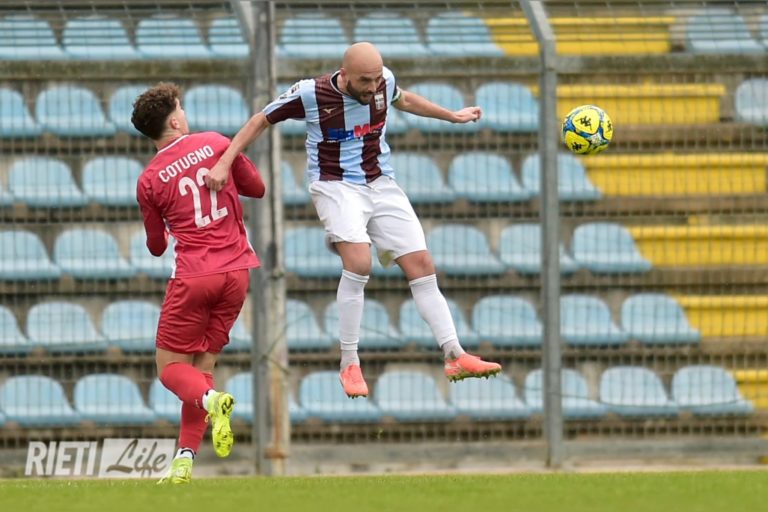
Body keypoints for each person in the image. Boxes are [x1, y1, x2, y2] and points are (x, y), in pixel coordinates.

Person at [205, 42, 501, 399]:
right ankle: (349, 362)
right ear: (344, 75)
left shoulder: (384, 82)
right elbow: (260, 120)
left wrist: (452, 116)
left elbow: (403, 99)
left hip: (380, 181)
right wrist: (224, 163)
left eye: (377, 79)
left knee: (421, 264)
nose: (373, 87)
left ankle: (454, 354)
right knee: (360, 262)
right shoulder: (311, 94)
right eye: (365, 81)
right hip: (335, 185)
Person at [132, 82, 266, 484]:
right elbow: (257, 189)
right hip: (236, 272)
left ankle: (213, 401)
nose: (184, 114)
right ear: (175, 121)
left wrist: (167, 222)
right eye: (181, 108)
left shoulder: (149, 179)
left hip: (194, 277)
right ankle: (184, 460)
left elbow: (157, 246)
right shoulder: (214, 143)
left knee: (170, 369)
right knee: (201, 369)